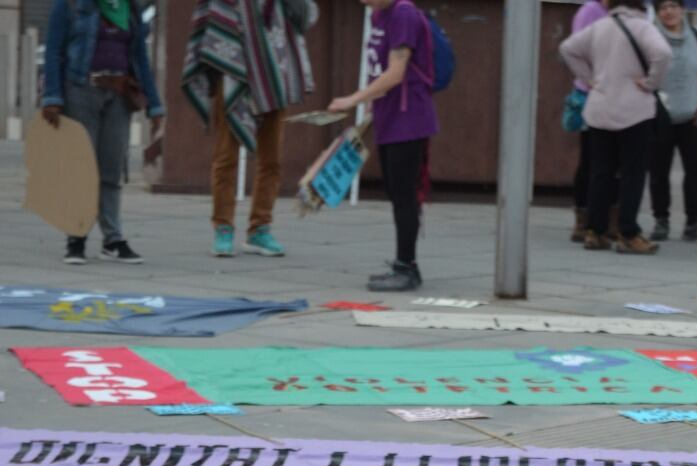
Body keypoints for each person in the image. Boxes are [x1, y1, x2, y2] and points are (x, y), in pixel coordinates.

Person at [183, 0, 316, 259]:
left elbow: (306, 17)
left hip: (275, 76)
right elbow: (209, 23)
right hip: (233, 75)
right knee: (226, 157)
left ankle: (260, 229)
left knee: (272, 159)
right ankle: (223, 228)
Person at [40, 0, 164, 265]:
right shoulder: (70, 5)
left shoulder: (129, 7)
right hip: (81, 90)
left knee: (111, 168)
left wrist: (154, 104)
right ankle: (76, 237)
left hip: (119, 94)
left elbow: (140, 56)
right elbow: (53, 51)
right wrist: (52, 97)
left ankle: (113, 239)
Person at [329, 0, 439, 291]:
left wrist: (353, 100)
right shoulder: (380, 14)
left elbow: (395, 72)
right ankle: (404, 264)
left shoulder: (402, 14)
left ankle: (407, 267)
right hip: (390, 116)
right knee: (395, 191)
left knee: (404, 195)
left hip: (409, 118)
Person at [560, 0, 672, 254]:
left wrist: (588, 78)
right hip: (634, 110)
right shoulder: (643, 27)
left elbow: (567, 48)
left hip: (600, 107)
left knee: (600, 171)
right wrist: (651, 82)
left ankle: (595, 231)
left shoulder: (600, 26)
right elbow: (663, 53)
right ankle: (627, 232)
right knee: (632, 173)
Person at [647, 0, 697, 243]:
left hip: (693, 116)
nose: (669, 12)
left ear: (682, 9)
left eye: (673, 6)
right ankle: (661, 220)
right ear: (657, 12)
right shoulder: (650, 36)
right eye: (663, 7)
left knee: (695, 171)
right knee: (658, 172)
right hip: (660, 117)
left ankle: (693, 222)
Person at [567, 0, 608, 243]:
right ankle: (583, 217)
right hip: (590, 94)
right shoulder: (590, 11)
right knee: (590, 158)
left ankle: (609, 217)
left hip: (617, 94)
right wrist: (590, 78)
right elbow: (574, 49)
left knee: (612, 162)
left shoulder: (631, 11)